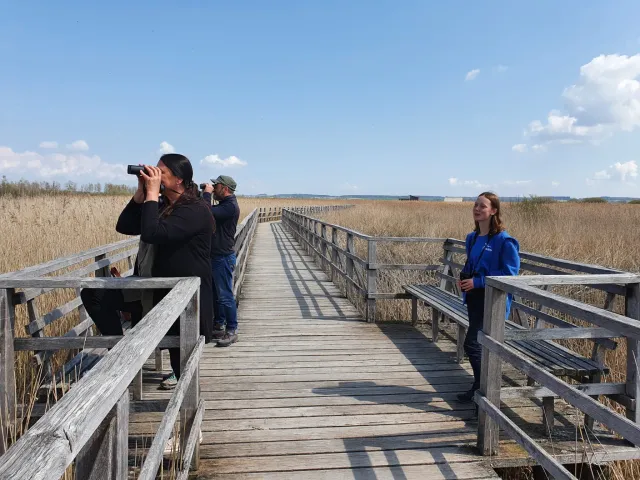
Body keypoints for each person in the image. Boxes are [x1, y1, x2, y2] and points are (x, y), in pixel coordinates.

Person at [83, 153, 214, 391]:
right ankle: (120, 354)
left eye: (161, 172)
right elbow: (124, 226)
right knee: (94, 294)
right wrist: (141, 195)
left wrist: (153, 195)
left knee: (180, 358)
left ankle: (183, 403)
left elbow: (152, 233)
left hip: (183, 296)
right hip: (152, 289)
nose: (155, 176)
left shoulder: (196, 210)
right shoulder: (163, 206)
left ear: (179, 181)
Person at [456, 192, 520, 403]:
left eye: (482, 206)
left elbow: (511, 273)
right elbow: (472, 263)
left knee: (473, 344)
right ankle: (478, 389)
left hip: (492, 300)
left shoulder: (504, 240)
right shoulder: (472, 238)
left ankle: (488, 395)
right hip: (473, 298)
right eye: (475, 205)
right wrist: (466, 279)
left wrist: (479, 282)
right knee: (478, 344)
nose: (477, 209)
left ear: (493, 211)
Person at [202, 175, 240, 347]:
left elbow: (205, 212)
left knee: (225, 295)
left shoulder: (230, 206)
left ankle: (232, 330)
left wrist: (206, 194)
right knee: (218, 295)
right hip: (217, 256)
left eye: (216, 186)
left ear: (225, 188)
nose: (214, 189)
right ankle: (219, 324)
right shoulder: (226, 205)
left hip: (223, 257)